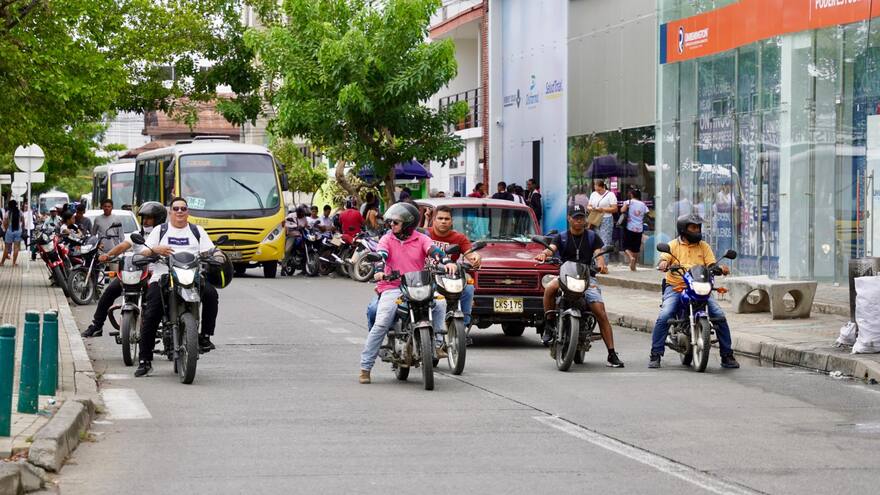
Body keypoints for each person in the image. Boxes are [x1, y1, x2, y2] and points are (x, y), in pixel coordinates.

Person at [358, 202, 456, 384]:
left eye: (396, 222)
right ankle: (365, 367)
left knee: (441, 303)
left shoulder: (421, 238)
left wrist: (446, 261)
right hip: (393, 287)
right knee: (381, 324)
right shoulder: (387, 238)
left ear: (408, 224)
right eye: (391, 222)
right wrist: (380, 268)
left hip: (419, 285)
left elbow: (433, 251)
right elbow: (382, 255)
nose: (392, 226)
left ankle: (437, 344)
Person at [135, 197, 219, 377]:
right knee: (152, 312)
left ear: (188, 212)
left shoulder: (197, 231)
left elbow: (211, 250)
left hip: (192, 276)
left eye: (183, 208)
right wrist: (155, 250)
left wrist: (218, 255)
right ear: (170, 212)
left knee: (211, 294)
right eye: (176, 208)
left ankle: (205, 337)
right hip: (164, 275)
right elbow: (143, 251)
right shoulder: (160, 230)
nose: (180, 212)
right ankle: (145, 360)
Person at [534, 204, 624, 368]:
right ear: (569, 218)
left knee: (600, 312)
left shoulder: (592, 237)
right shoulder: (560, 237)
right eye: (576, 217)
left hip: (587, 279)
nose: (579, 221)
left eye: (582, 217)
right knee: (549, 288)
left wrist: (601, 263)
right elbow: (551, 250)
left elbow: (599, 253)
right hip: (565, 277)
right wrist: (544, 254)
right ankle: (548, 323)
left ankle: (611, 353)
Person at [649, 214, 739, 369]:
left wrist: (720, 268)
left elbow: (711, 264)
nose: (697, 230)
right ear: (683, 229)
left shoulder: (704, 246)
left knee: (719, 315)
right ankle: (656, 354)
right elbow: (664, 259)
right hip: (677, 287)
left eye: (698, 227)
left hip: (699, 287)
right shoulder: (672, 245)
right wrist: (664, 263)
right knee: (665, 315)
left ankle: (727, 355)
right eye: (693, 227)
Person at [81, 202, 165, 337]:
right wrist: (108, 255)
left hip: (155, 275)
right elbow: (123, 246)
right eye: (144, 217)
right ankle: (97, 326)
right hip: (136, 272)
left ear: (158, 218)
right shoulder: (138, 234)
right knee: (109, 292)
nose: (145, 221)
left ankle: (165, 330)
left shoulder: (164, 235)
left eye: (149, 218)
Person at [587, 179, 617, 263]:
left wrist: (602, 209)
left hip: (606, 219)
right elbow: (588, 206)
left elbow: (615, 209)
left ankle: (604, 264)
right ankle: (595, 263)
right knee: (595, 240)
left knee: (605, 241)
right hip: (595, 219)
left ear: (603, 187)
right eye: (596, 190)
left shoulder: (610, 195)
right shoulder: (593, 194)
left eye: (599, 190)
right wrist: (591, 208)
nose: (598, 192)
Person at [620, 189, 648, 271]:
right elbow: (646, 212)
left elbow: (622, 210)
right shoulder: (643, 204)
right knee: (636, 247)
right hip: (639, 228)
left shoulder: (628, 202)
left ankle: (630, 257)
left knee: (626, 246)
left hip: (630, 227)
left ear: (632, 195)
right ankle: (634, 265)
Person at [1, 199, 23, 267]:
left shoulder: (8, 213)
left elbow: (4, 222)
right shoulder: (20, 212)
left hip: (10, 231)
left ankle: (2, 263)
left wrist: (6, 229)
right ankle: (14, 263)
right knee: (16, 248)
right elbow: (22, 220)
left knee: (7, 248)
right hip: (18, 231)